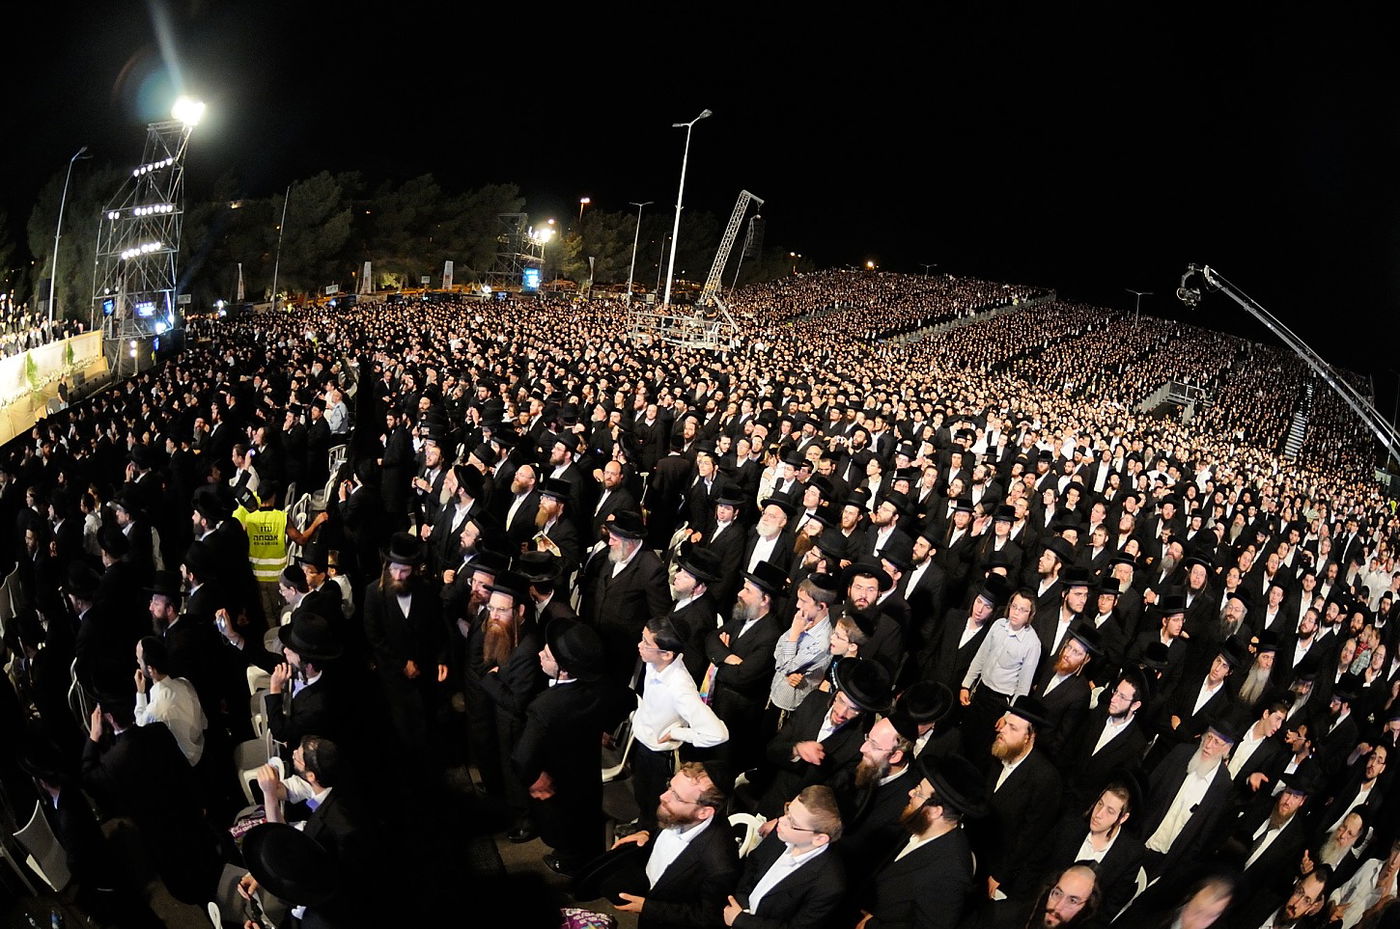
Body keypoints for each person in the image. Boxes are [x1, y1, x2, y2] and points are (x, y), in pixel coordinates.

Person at [513, 620, 628, 877]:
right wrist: (603, 728)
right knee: (584, 816)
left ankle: (568, 862)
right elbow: (627, 699)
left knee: (562, 824)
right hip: (586, 772)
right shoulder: (601, 690)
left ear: (563, 670)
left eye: (548, 654)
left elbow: (523, 756)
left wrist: (533, 778)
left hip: (557, 778)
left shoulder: (545, 706)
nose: (539, 654)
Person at [587, 763, 740, 929]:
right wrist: (647, 834)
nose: (664, 796)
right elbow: (666, 824)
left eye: (677, 797)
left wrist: (648, 908)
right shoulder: (680, 812)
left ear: (704, 812)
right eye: (670, 786)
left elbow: (709, 917)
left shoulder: (719, 865)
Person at [853, 752, 985, 929]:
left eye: (918, 793)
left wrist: (872, 925)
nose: (910, 793)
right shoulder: (919, 823)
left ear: (934, 811)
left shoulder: (952, 872)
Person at [631, 616, 730, 832]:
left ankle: (646, 844)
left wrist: (679, 732)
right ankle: (641, 828)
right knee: (642, 799)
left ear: (666, 654)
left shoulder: (679, 687)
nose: (640, 645)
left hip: (659, 757)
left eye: (647, 643)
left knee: (659, 807)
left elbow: (717, 733)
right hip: (643, 744)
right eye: (642, 638)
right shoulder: (654, 663)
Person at [722, 785, 847, 929]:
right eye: (788, 810)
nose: (781, 820)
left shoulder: (829, 886)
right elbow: (753, 864)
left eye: (793, 822)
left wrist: (742, 920)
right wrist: (742, 905)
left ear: (819, 839)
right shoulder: (782, 832)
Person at [132, 634, 207, 766]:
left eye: (139, 660)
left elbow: (140, 726)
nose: (138, 662)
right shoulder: (184, 683)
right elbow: (203, 722)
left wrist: (140, 692)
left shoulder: (155, 710)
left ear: (150, 669)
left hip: (186, 763)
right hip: (203, 747)